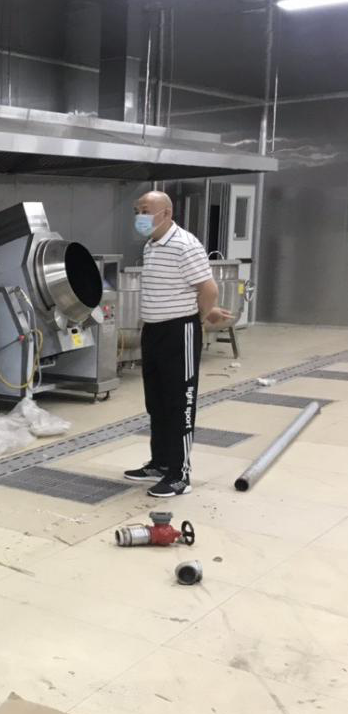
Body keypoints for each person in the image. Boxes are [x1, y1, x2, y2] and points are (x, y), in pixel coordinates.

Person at [125, 191, 232, 498]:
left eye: (146, 210)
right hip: (153, 330)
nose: (140, 216)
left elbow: (208, 288)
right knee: (156, 401)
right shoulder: (151, 245)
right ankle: (160, 463)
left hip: (179, 330)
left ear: (166, 213)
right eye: (137, 210)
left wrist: (200, 316)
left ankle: (179, 475)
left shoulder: (185, 244)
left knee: (179, 403)